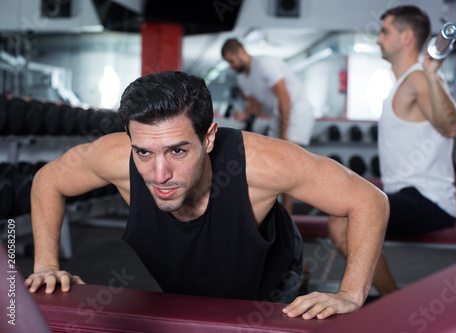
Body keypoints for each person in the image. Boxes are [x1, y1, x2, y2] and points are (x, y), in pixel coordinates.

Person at [25, 70, 389, 320]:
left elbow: (369, 200)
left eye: (178, 151)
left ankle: (304, 273)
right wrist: (45, 264)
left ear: (209, 137)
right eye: (144, 153)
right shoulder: (114, 156)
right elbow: (48, 180)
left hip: (269, 278)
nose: (159, 174)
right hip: (186, 280)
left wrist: (349, 294)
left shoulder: (266, 162)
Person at [328, 5, 456, 296]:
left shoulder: (419, 78)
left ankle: (392, 304)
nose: (378, 39)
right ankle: (391, 301)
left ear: (407, 37)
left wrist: (430, 73)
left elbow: (450, 127)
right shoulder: (403, 83)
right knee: (342, 205)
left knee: (343, 221)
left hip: (429, 200)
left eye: (385, 31)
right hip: (407, 196)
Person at [221, 38, 316, 214]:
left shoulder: (265, 64)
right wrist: (245, 115)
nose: (230, 66)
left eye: (231, 61)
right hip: (279, 114)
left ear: (241, 52)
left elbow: (284, 97)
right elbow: (255, 106)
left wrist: (284, 131)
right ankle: (273, 212)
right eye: (228, 63)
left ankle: (287, 216)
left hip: (296, 111)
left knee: (288, 164)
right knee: (276, 165)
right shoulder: (243, 78)